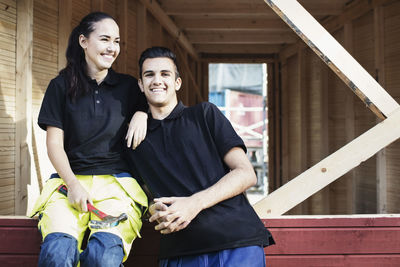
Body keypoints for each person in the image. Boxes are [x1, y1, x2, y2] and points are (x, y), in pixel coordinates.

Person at [126, 46, 275, 267]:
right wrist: (151, 209)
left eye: (165, 74)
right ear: (141, 84)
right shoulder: (134, 140)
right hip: (180, 251)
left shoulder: (205, 115)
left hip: (235, 241)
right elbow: (141, 195)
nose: (157, 80)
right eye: (149, 75)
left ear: (177, 83)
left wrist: (194, 204)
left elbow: (246, 174)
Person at [29, 12, 148, 266]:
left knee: (103, 257)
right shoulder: (60, 86)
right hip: (67, 185)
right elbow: (54, 145)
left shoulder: (128, 87)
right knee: (56, 255)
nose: (112, 48)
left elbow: (161, 104)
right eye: (105, 39)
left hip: (117, 189)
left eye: (117, 41)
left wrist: (142, 112)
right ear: (83, 41)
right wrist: (73, 185)